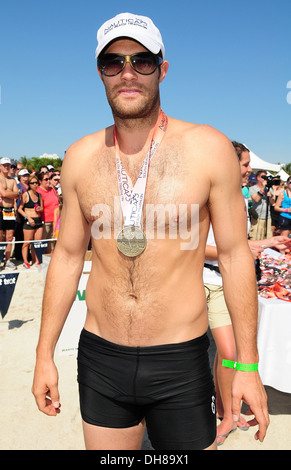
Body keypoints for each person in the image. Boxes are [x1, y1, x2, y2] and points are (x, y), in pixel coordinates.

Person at [32, 13, 269, 450]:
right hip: (102, 356)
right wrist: (44, 353)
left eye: (141, 61)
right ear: (99, 71)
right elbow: (66, 257)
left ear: (162, 68)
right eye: (113, 61)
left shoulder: (208, 148)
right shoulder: (80, 158)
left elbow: (236, 256)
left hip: (180, 359)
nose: (127, 72)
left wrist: (248, 366)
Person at [205, 142, 290, 445]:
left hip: (222, 283)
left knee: (227, 353)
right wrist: (257, 246)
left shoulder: (237, 200)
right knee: (222, 354)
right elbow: (195, 247)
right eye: (244, 165)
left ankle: (227, 412)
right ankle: (225, 408)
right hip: (202, 280)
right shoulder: (205, 196)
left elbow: (237, 247)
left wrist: (265, 244)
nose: (251, 171)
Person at [17, 174, 44, 268]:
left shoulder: (39, 195)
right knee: (27, 242)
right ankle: (25, 261)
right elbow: (20, 209)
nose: (35, 185)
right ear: (29, 184)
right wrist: (28, 217)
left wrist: (40, 209)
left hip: (38, 220)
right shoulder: (26, 195)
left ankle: (36, 260)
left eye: (36, 183)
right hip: (29, 220)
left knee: (37, 243)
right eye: (33, 183)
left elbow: (42, 208)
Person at [0, 158, 21, 269]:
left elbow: (18, 194)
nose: (7, 167)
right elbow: (3, 193)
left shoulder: (12, 180)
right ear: (0, 166)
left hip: (10, 211)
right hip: (1, 209)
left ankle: (8, 260)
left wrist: (12, 194)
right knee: (0, 237)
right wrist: (13, 193)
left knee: (9, 237)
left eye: (8, 165)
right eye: (4, 165)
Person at [36, 171, 59, 253]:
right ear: (40, 181)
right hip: (45, 221)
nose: (48, 181)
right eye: (46, 179)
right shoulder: (38, 192)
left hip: (56, 220)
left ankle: (49, 258)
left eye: (49, 179)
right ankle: (39, 258)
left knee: (52, 242)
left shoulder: (52, 189)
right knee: (43, 241)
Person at [249, 170, 272, 240]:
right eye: (263, 177)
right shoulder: (252, 188)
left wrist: (270, 197)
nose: (265, 179)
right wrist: (263, 188)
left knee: (267, 239)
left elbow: (272, 203)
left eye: (266, 177)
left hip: (268, 217)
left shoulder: (269, 189)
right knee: (256, 238)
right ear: (258, 178)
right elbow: (256, 199)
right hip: (257, 218)